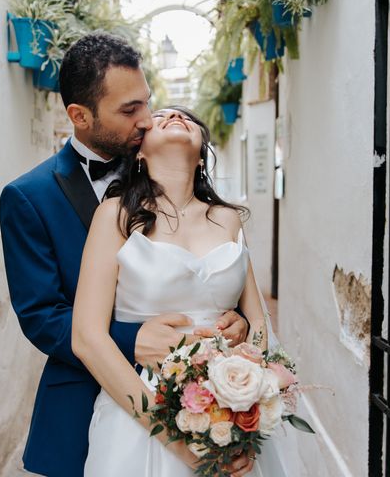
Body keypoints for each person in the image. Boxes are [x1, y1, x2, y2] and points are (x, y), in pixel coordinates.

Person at [0, 33, 250, 477]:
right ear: (79, 115)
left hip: (203, 400)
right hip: (85, 402)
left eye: (146, 103)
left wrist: (236, 321)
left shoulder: (178, 175)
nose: (147, 119)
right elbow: (41, 315)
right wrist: (132, 339)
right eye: (129, 110)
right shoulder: (27, 197)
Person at [71, 106, 282, 477]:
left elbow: (258, 321)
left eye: (186, 117)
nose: (174, 117)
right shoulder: (115, 216)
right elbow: (87, 337)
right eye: (161, 114)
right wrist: (176, 441)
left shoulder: (228, 218)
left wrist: (245, 395)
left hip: (225, 400)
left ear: (202, 155)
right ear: (138, 152)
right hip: (140, 410)